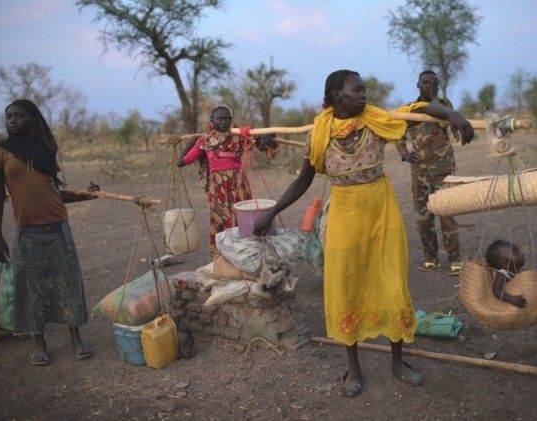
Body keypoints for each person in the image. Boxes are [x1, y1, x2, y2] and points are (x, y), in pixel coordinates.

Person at [253, 70, 473, 398]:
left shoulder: (377, 120)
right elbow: (303, 180)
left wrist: (453, 115)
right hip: (344, 216)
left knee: (392, 283)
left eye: (364, 89)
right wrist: (271, 212)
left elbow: (421, 109)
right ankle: (353, 368)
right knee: (346, 285)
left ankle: (398, 363)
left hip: (381, 213)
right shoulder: (320, 133)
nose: (364, 95)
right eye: (357, 90)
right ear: (336, 95)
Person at [0, 99, 98, 366]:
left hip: (58, 227)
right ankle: (39, 343)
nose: (12, 120)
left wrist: (87, 195)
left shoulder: (45, 150)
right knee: (31, 288)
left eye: (18, 115)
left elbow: (55, 191)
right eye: (9, 117)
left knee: (68, 283)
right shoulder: (0, 152)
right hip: (27, 231)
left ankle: (76, 338)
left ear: (33, 118)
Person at [395, 70, 474, 275]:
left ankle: (455, 260)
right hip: (419, 171)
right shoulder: (409, 111)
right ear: (417, 84)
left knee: (447, 214)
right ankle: (431, 259)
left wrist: (437, 104)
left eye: (433, 83)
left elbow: (447, 120)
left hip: (444, 169)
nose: (428, 86)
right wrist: (405, 154)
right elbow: (398, 135)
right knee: (423, 217)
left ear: (437, 86)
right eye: (425, 82)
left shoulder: (445, 107)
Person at [177, 105, 277, 256]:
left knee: (243, 217)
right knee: (220, 220)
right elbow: (182, 162)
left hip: (239, 185)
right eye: (220, 118)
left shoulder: (239, 136)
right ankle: (222, 257)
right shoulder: (205, 141)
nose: (224, 121)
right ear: (212, 121)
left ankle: (248, 255)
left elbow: (265, 141)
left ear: (232, 121)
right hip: (217, 189)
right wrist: (193, 141)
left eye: (227, 119)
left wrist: (265, 137)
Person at [485, 239, 527, 308]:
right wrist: (511, 299)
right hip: (509, 304)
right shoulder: (502, 273)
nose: (522, 254)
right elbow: (497, 291)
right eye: (515, 253)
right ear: (505, 263)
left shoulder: (516, 269)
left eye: (519, 251)